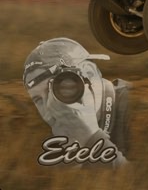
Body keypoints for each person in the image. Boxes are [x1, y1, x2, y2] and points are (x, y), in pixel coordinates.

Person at [23, 38, 130, 167]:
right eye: (38, 100)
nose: (50, 109)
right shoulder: (52, 146)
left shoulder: (130, 106)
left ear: (89, 74)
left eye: (62, 89)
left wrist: (89, 135)